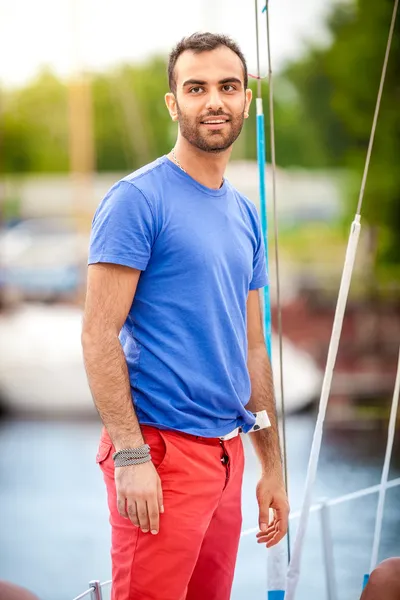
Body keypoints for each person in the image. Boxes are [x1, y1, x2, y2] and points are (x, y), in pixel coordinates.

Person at [82, 32, 289, 600]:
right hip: (159, 454)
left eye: (227, 87)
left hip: (228, 454)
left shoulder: (246, 215)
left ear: (246, 99)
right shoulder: (136, 200)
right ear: (174, 103)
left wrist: (271, 465)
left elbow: (252, 350)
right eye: (196, 88)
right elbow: (98, 335)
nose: (214, 101)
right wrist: (130, 456)